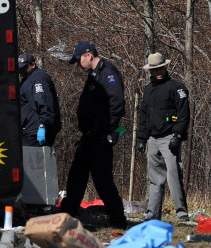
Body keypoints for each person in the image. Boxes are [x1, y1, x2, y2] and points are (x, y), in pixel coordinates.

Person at [57, 41, 128, 229]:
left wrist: (104, 129)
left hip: (99, 138)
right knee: (76, 178)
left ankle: (118, 220)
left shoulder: (108, 73)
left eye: (79, 59)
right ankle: (66, 215)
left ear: (89, 55)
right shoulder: (94, 75)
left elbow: (117, 105)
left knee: (103, 181)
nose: (79, 64)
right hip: (88, 138)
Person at [136, 52, 190, 222]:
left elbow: (184, 114)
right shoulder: (148, 90)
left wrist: (178, 135)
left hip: (170, 137)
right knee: (155, 179)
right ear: (150, 71)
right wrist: (141, 138)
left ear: (166, 67)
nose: (158, 71)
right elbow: (143, 115)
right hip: (153, 139)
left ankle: (181, 213)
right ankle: (152, 215)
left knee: (174, 175)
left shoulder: (176, 87)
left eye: (161, 68)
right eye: (155, 69)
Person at [18, 53, 61, 147]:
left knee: (33, 160)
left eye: (24, 68)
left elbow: (44, 102)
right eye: (20, 68)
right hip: (29, 128)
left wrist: (42, 125)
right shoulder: (27, 79)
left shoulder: (38, 78)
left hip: (36, 129)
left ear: (33, 65)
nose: (21, 71)